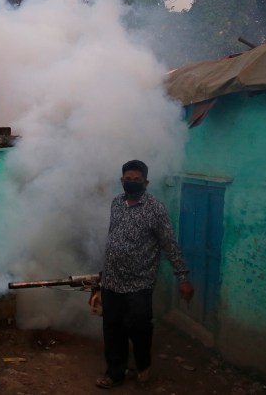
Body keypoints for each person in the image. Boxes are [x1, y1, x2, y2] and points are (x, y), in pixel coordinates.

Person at [95, 159, 195, 389]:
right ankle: (115, 373)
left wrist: (183, 278)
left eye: (136, 180)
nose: (131, 183)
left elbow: (169, 244)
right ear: (121, 181)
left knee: (139, 329)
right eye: (127, 180)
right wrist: (106, 268)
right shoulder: (116, 203)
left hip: (139, 283)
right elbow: (113, 236)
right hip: (112, 281)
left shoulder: (155, 209)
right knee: (112, 330)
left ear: (146, 183)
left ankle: (143, 365)